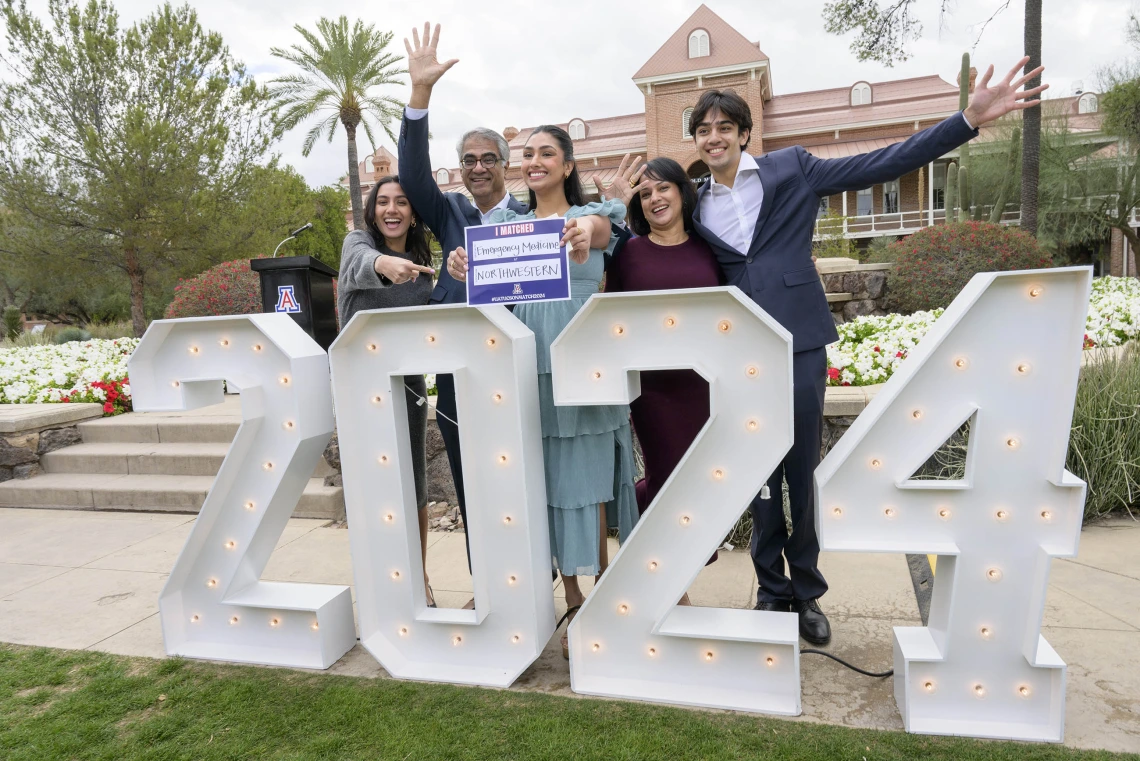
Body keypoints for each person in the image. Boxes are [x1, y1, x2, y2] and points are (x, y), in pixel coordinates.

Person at [648, 58, 1047, 647]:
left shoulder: (793, 169)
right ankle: (769, 589)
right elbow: (651, 235)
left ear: (743, 132)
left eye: (723, 127)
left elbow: (879, 163)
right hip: (738, 352)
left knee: (800, 473)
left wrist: (966, 120)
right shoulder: (693, 197)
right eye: (702, 130)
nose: (713, 137)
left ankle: (807, 591)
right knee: (755, 474)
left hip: (801, 341)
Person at [446, 125, 638, 658]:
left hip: (582, 366)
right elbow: (479, 280)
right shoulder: (505, 225)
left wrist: (586, 229)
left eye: (546, 153)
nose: (535, 161)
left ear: (568, 165)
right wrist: (460, 264)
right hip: (527, 370)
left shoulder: (592, 218)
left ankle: (602, 598)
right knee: (548, 486)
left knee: (594, 483)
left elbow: (600, 230)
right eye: (528, 154)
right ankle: (572, 600)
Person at [397, 24, 530, 604]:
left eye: (487, 159)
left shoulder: (531, 221)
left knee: (517, 482)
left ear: (505, 165)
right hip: (456, 376)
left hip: (515, 372)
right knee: (472, 485)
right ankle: (488, 590)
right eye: (468, 160)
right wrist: (419, 97)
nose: (478, 167)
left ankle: (529, 582)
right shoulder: (448, 213)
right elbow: (410, 176)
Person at [602, 157, 723, 602]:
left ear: (682, 191)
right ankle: (675, 586)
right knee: (665, 478)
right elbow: (609, 312)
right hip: (652, 392)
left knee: (699, 485)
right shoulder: (628, 253)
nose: (655, 198)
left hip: (705, 388)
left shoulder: (711, 248)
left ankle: (653, 550)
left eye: (663, 188)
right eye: (646, 192)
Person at [338, 176, 438, 606]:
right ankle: (382, 588)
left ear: (413, 213)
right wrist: (383, 265)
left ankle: (418, 579)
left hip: (408, 388)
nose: (392, 209)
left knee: (413, 484)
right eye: (383, 202)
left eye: (401, 201)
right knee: (370, 487)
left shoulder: (421, 265)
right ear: (372, 210)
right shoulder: (358, 243)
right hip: (361, 388)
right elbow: (358, 263)